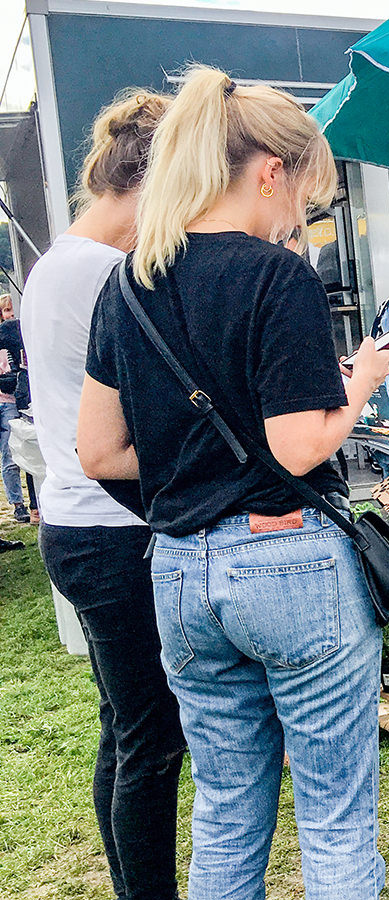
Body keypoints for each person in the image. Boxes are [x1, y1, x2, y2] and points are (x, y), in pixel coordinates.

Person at [76, 65, 389, 900]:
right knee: (332, 817)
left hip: (180, 571)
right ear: (269, 173)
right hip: (287, 556)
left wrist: (193, 460)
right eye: (309, 198)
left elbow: (99, 453)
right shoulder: (274, 275)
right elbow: (296, 448)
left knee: (223, 811)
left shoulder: (130, 283)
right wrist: (358, 384)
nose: (304, 218)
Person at [21, 88, 187, 900]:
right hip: (112, 530)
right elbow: (142, 416)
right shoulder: (105, 274)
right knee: (153, 741)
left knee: (124, 731)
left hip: (75, 526)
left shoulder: (59, 261)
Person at [1, 292, 29, 522]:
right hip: (3, 401)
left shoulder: (18, 336)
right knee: (7, 457)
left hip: (15, 399)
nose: (10, 314)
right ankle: (17, 503)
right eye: (7, 310)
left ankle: (27, 505)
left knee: (18, 453)